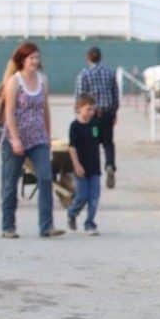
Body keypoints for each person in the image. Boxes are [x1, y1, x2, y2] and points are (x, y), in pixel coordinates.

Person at [2, 42, 64, 238]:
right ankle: (8, 226)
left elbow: (45, 109)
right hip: (15, 138)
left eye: (37, 58)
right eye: (31, 58)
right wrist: (15, 139)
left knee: (45, 178)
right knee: (10, 182)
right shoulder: (14, 81)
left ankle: (46, 226)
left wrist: (47, 135)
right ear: (22, 60)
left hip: (38, 138)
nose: (35, 62)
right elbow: (9, 112)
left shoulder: (43, 81)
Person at [75, 46, 119, 189]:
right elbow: (115, 95)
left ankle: (93, 173)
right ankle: (110, 165)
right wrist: (114, 113)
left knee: (92, 143)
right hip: (107, 115)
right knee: (108, 143)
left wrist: (79, 114)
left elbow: (81, 97)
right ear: (101, 57)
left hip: (91, 117)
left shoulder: (84, 74)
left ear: (88, 58)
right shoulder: (110, 73)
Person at [66, 94, 103, 235]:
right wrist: (77, 165)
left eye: (93, 110)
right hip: (81, 167)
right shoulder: (74, 126)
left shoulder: (95, 124)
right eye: (88, 109)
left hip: (94, 167)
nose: (91, 113)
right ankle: (72, 212)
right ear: (79, 109)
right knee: (82, 196)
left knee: (94, 196)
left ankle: (90, 223)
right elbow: (72, 147)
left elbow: (98, 139)